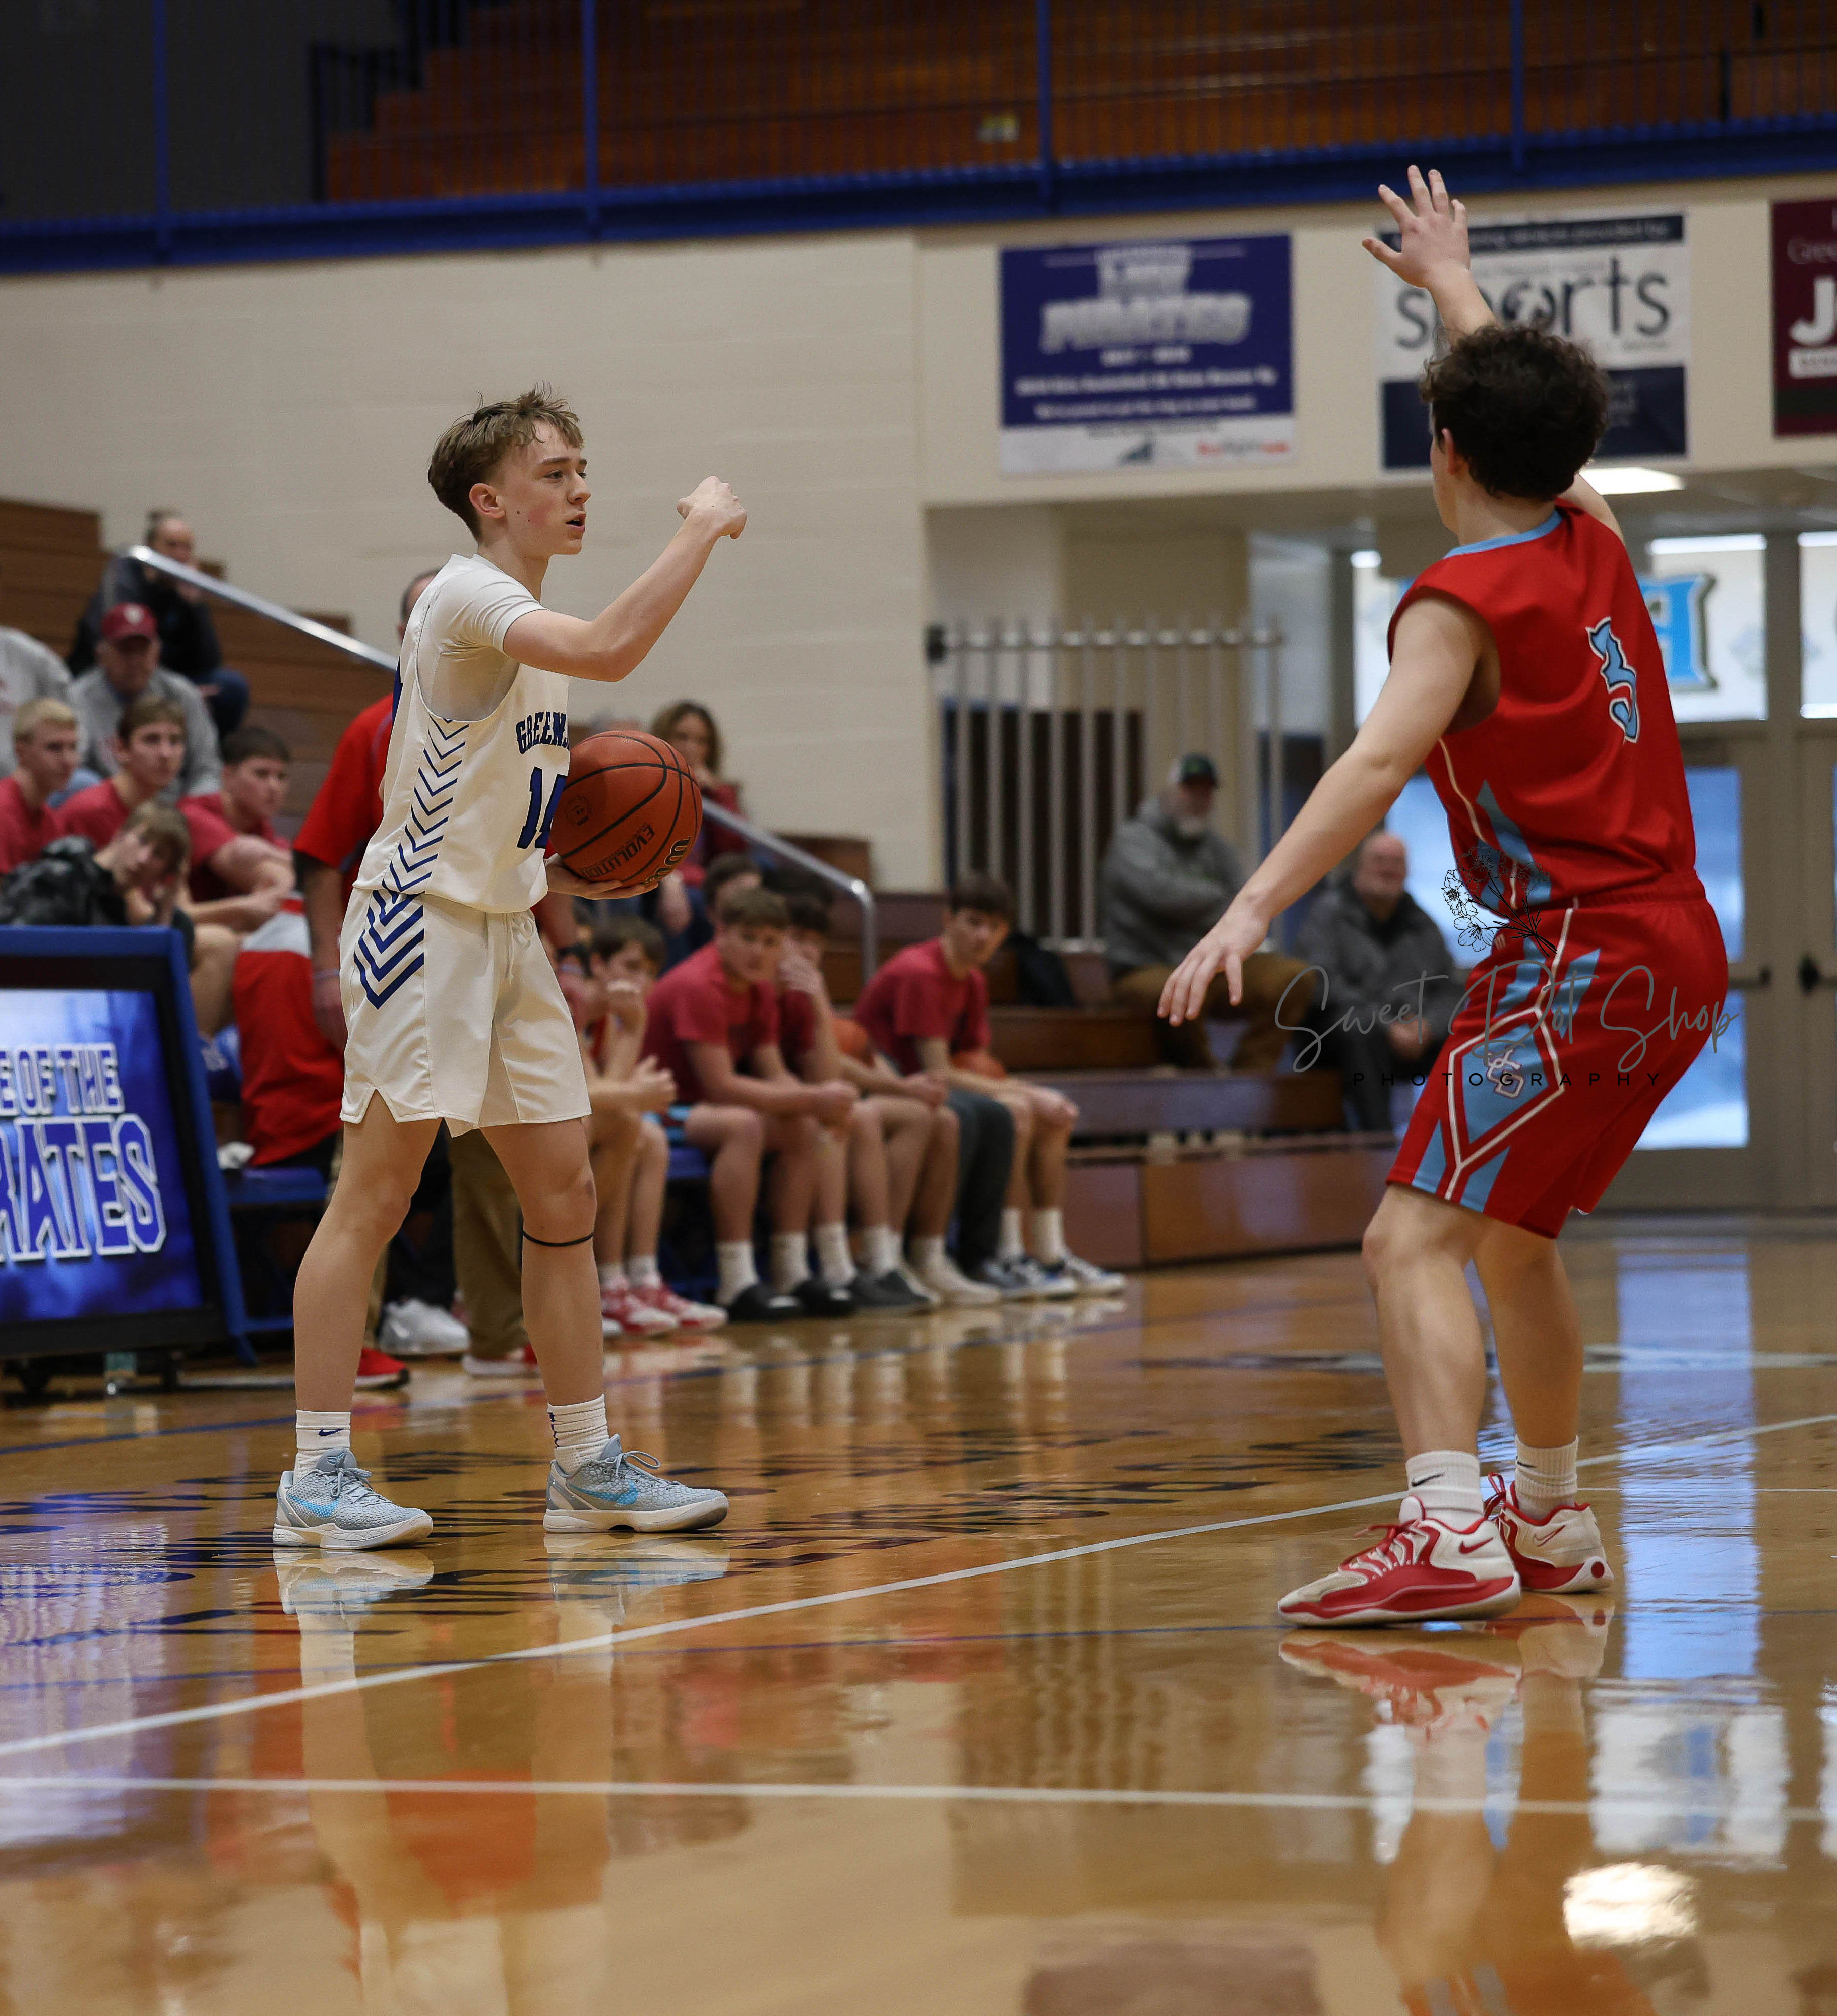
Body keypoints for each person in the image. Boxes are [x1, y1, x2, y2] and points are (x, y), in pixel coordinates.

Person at [1161, 167, 1727, 1625]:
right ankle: (1546, 1515)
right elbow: (1527, 424)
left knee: (1403, 1237)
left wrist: (1248, 910)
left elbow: (1373, 765)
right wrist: (1449, 285)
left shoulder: (1457, 599)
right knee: (1513, 1237)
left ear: (1443, 449)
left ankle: (1444, 1528)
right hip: (1675, 950)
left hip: (1577, 950)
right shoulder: (1590, 536)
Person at [276, 385, 747, 1549]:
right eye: (554, 473)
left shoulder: (524, 620)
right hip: (418, 925)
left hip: (504, 927)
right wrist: (700, 529)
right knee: (375, 1192)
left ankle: (586, 1464)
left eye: (583, 470)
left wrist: (584, 870)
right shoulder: (467, 597)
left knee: (564, 1193)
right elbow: (612, 646)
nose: (580, 490)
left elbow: (515, 804)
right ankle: (316, 1473)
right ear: (490, 499)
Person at [855, 872, 1123, 1299]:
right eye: (973, 922)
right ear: (948, 919)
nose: (983, 936)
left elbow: (974, 1067)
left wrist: (1030, 1093)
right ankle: (994, 1252)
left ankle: (1049, 1253)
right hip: (890, 1085)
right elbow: (938, 1070)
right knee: (1013, 1111)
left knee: (1055, 1114)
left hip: (930, 1086)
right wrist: (1024, 1093)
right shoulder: (921, 971)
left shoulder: (974, 980)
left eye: (994, 927)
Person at [641, 884, 846, 1320]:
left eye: (771, 942)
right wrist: (811, 1097)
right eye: (749, 938)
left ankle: (790, 1269)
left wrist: (812, 1104)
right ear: (721, 933)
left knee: (804, 1127)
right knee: (744, 1125)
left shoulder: (758, 988)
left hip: (703, 1107)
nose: (759, 952)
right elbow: (720, 1086)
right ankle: (736, 1279)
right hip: (656, 1104)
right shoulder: (701, 984)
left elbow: (774, 1070)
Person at [1102, 752, 1317, 1070]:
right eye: (1190, 788)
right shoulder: (1133, 840)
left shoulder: (1218, 847)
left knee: (1294, 977)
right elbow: (1161, 896)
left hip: (1211, 965)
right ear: (1170, 791)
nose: (1198, 798)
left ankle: (1249, 1076)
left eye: (1206, 790)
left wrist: (1203, 903)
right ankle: (1208, 1077)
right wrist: (1218, 899)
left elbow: (1244, 903)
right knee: (1180, 987)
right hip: (1147, 966)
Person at [776, 890, 934, 1310]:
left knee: (912, 1116)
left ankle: (883, 1256)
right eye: (797, 938)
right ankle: (837, 1263)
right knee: (846, 1116)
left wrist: (819, 1003)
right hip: (742, 1104)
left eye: (816, 942)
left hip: (794, 1096)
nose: (807, 951)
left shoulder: (806, 992)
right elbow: (823, 1076)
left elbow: (831, 1070)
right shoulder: (759, 986)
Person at [579, 916, 727, 1337]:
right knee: (631, 1124)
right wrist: (633, 1086)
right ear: (598, 965)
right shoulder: (572, 1010)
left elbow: (612, 1090)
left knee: (649, 1135)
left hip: (584, 1126)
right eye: (630, 967)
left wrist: (633, 1034)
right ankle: (608, 1281)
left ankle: (640, 1279)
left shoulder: (611, 1018)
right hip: (542, 1131)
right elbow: (590, 1095)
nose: (640, 981)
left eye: (648, 972)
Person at [1296, 830, 1462, 1131]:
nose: (1388, 869)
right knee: (1360, 1031)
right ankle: (1378, 1142)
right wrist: (1387, 1026)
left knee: (1467, 1036)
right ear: (1359, 866)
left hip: (1414, 1036)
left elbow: (1451, 990)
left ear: (1407, 871)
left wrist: (1428, 1026)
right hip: (1342, 1039)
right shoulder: (1328, 914)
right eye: (1380, 860)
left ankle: (1453, 1140)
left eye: (1397, 862)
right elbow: (1322, 984)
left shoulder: (1422, 923)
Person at [68, 508, 250, 738]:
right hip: (122, 673)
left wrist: (194, 607)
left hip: (168, 678)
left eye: (187, 548)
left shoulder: (188, 590)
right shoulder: (124, 576)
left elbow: (210, 661)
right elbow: (114, 645)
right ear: (151, 548)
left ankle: (204, 754)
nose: (180, 555)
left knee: (231, 687)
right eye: (172, 546)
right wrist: (175, 692)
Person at [68, 601, 221, 800]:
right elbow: (73, 766)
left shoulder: (182, 694)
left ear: (157, 653)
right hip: (108, 804)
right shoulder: (77, 698)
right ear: (101, 654)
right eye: (125, 650)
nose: (135, 661)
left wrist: (191, 811)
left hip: (174, 809)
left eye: (143, 650)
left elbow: (207, 768)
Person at [650, 698, 749, 883]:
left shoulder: (715, 792)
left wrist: (719, 794)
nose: (691, 749)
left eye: (701, 741)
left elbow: (735, 849)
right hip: (665, 880)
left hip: (705, 880)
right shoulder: (647, 789)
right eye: (682, 737)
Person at [0, 697, 80, 876]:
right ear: (21, 753)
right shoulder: (3, 813)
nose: (68, 761)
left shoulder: (50, 821)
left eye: (73, 747)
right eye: (54, 748)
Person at [0, 589, 74, 776]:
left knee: (82, 781)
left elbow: (72, 716)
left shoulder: (28, 655)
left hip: (24, 780)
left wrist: (66, 762)